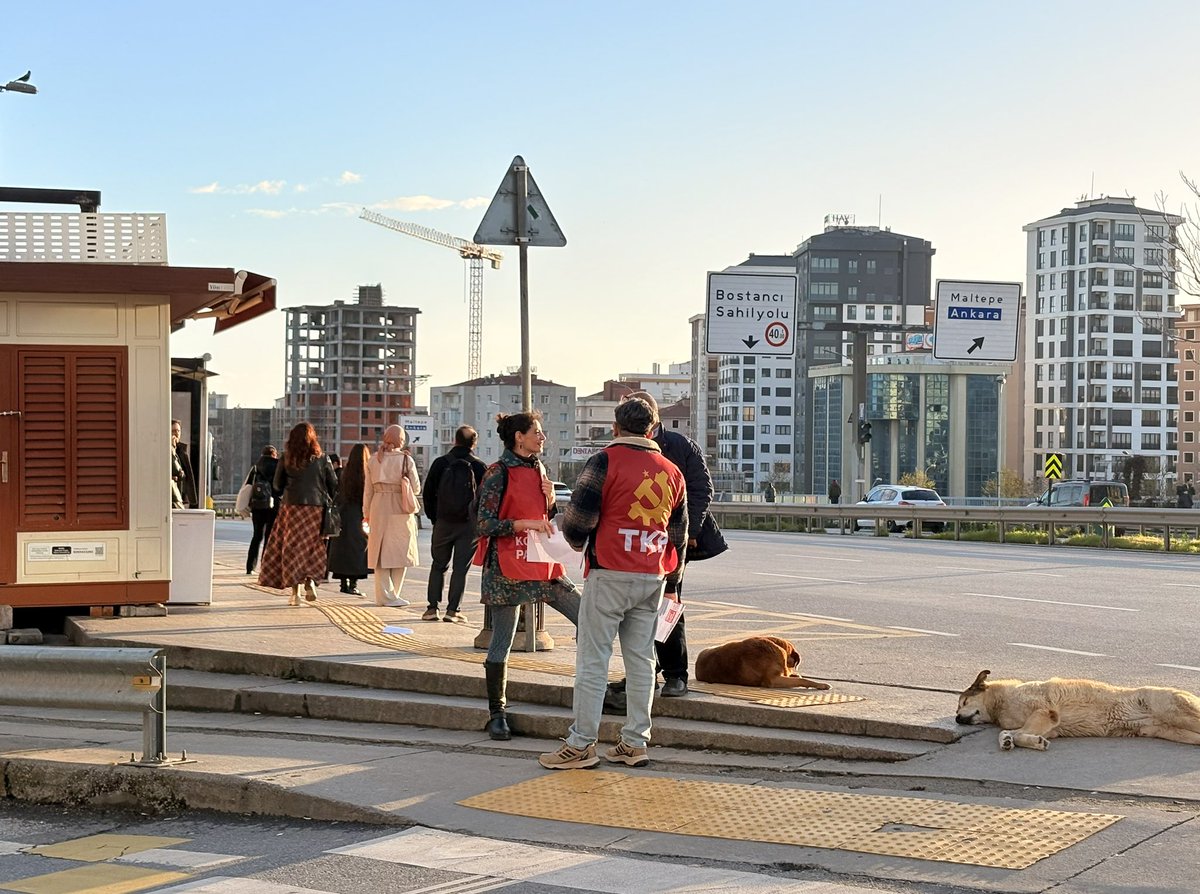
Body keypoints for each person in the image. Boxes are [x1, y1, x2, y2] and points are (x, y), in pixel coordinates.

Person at [539, 396, 687, 770]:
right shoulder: (672, 472)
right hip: (652, 574)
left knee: (594, 660)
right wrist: (672, 581)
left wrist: (576, 542)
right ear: (652, 430)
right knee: (641, 660)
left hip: (609, 571)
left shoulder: (604, 461)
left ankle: (580, 744)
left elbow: (578, 520)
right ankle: (634, 742)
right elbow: (679, 535)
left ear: (616, 427)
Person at [475, 411, 582, 741]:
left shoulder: (539, 468)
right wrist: (523, 524)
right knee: (502, 641)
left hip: (541, 562)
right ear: (519, 437)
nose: (542, 437)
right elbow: (484, 523)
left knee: (587, 616)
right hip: (506, 567)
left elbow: (544, 516)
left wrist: (549, 500)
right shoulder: (497, 472)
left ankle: (594, 693)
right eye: (536, 431)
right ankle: (497, 714)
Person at [604, 391, 715, 709]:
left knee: (668, 607)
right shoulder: (620, 448)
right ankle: (643, 673)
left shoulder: (679, 446)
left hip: (670, 541)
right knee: (634, 613)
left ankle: (676, 674)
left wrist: (689, 531)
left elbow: (701, 489)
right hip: (632, 543)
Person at [258, 422, 339, 606]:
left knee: (291, 548)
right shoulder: (322, 458)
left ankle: (296, 594)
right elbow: (333, 484)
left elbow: (277, 485)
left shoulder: (286, 457)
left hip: (291, 508)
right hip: (315, 509)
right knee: (314, 546)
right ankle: (311, 580)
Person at [422, 425, 487, 623]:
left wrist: (435, 518)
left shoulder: (440, 463)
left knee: (438, 565)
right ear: (474, 443)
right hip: (468, 526)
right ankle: (453, 611)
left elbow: (428, 493)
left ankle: (432, 609)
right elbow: (485, 498)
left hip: (443, 522)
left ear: (454, 440)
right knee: (460, 569)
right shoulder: (479, 466)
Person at [364, 425, 421, 607]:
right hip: (400, 506)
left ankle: (384, 596)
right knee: (400, 551)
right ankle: (393, 594)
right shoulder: (406, 459)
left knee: (380, 553)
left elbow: (368, 491)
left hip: (378, 506)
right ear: (401, 440)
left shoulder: (373, 460)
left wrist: (366, 513)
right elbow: (416, 488)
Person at [328, 443, 371, 595]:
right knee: (357, 549)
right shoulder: (367, 474)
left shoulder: (344, 473)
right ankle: (353, 584)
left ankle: (343, 584)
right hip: (359, 515)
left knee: (342, 549)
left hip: (343, 515)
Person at [245, 445, 281, 575]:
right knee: (269, 537)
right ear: (274, 454)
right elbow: (280, 486)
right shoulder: (278, 466)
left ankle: (250, 567)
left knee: (257, 536)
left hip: (257, 505)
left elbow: (249, 486)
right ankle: (265, 567)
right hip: (273, 505)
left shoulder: (256, 467)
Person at [170, 419, 198, 509]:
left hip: (180, 492)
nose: (176, 434)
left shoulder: (181, 450)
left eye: (178, 431)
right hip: (171, 494)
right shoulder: (169, 449)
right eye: (173, 431)